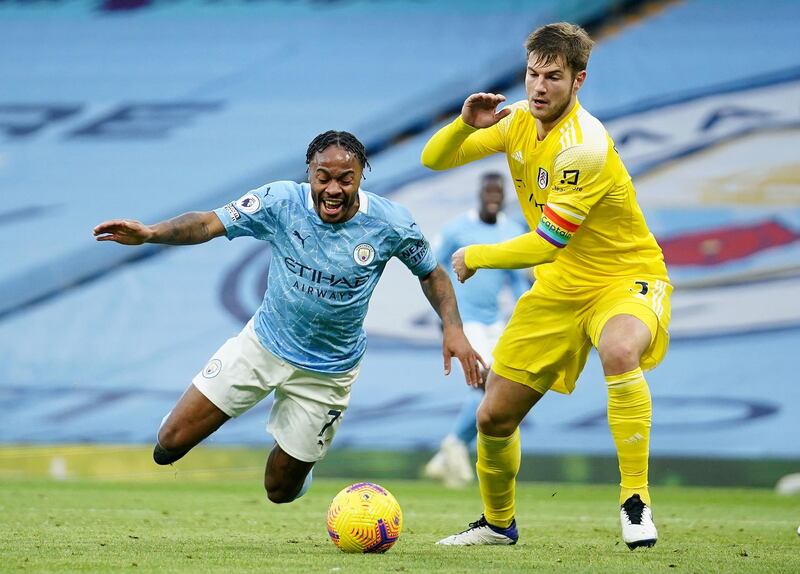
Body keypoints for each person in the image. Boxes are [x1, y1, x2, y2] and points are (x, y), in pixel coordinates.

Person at [93, 130, 484, 504]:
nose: (333, 189)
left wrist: (453, 329)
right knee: (168, 446)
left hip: (328, 372)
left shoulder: (390, 222)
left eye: (345, 179)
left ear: (361, 176)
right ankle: (208, 408)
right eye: (323, 177)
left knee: (279, 491)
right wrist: (150, 233)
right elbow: (208, 223)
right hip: (262, 346)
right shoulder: (279, 201)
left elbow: (431, 272)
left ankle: (301, 457)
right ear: (309, 174)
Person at [421, 23, 671, 549]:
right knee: (492, 417)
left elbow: (546, 241)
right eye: (533, 74)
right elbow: (435, 159)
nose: (538, 87)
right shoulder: (516, 120)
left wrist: (477, 256)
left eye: (552, 77)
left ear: (578, 80)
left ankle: (635, 501)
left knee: (620, 349)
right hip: (557, 291)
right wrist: (463, 123)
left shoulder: (585, 147)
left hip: (624, 279)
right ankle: (496, 524)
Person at [423, 172, 530, 488]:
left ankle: (449, 452)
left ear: (504, 196)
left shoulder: (512, 231)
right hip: (465, 321)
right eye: (489, 191)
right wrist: (445, 318)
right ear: (480, 194)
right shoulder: (457, 229)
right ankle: (455, 445)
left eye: (499, 191)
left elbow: (517, 280)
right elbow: (431, 268)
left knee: (499, 389)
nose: (493, 196)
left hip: (495, 322)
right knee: (483, 384)